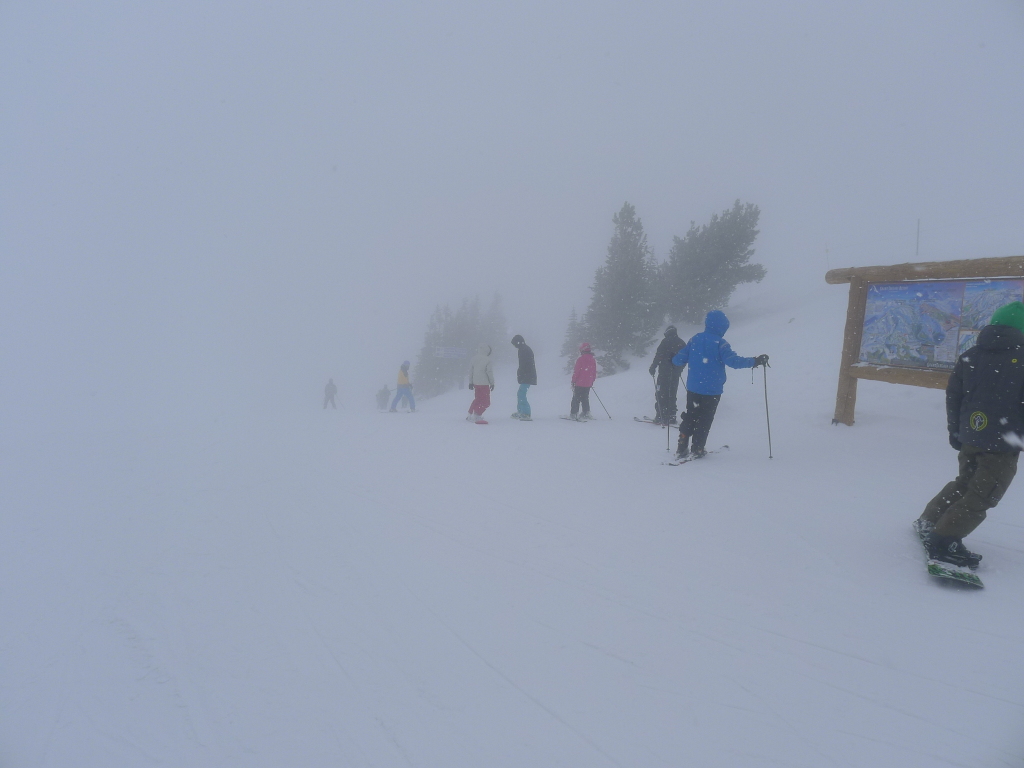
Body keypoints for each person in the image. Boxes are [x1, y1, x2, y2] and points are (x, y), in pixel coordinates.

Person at [914, 301, 1024, 569]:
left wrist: (956, 431)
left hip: (971, 436)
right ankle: (945, 540)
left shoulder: (972, 355)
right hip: (1003, 443)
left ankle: (930, 519)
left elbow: (955, 394)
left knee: (965, 482)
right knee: (984, 493)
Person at [671, 310, 768, 459]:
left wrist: (674, 359)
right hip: (712, 390)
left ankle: (682, 444)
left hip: (694, 388)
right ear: (722, 327)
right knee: (705, 419)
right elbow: (734, 362)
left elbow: (679, 359)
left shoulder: (695, 339)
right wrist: (755, 361)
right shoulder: (721, 344)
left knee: (691, 415)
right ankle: (697, 448)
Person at [649, 326, 686, 424]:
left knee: (661, 393)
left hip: (664, 373)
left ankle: (661, 415)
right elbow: (685, 358)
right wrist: (679, 369)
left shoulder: (665, 342)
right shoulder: (681, 342)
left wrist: (653, 367)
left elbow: (659, 355)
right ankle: (671, 416)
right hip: (674, 374)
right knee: (672, 393)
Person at [511, 334, 537, 420]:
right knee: (520, 393)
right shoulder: (523, 349)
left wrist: (522, 374)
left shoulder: (524, 350)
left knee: (521, 394)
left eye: (514, 344)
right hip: (527, 375)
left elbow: (525, 365)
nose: (514, 346)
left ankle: (526, 413)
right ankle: (521, 412)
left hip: (527, 375)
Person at [466, 345, 495, 423]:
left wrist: (470, 382)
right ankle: (477, 414)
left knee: (478, 399)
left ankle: (470, 414)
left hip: (476, 383)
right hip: (484, 383)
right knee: (486, 402)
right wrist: (492, 383)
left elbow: (471, 371)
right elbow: (489, 372)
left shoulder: (474, 358)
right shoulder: (487, 360)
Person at [570, 342, 597, 420]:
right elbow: (594, 372)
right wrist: (591, 381)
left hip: (579, 382)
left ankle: (574, 413)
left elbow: (577, 371)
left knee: (576, 398)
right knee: (585, 398)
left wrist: (573, 381)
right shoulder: (592, 359)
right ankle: (586, 412)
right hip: (588, 383)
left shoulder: (580, 359)